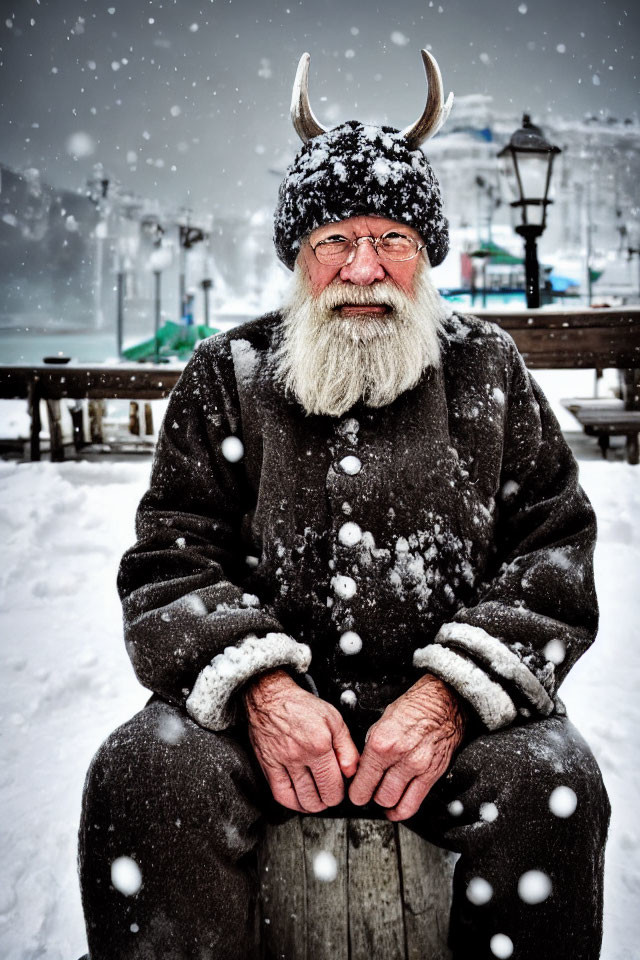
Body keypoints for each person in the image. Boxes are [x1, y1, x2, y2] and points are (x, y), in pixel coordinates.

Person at [78, 50, 610, 960]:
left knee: (552, 783)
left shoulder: (488, 369)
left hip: (458, 721)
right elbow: (172, 558)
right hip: (261, 724)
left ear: (425, 256)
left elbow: (551, 550)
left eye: (393, 241)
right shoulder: (228, 374)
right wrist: (262, 687)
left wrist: (449, 696)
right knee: (144, 776)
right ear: (300, 256)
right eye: (335, 241)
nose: (364, 267)